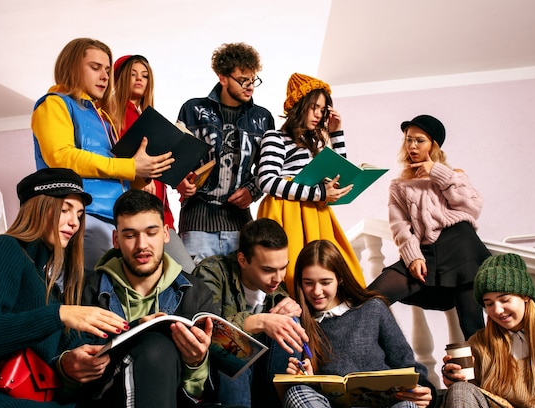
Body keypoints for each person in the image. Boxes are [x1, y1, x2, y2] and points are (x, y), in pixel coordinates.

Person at [0, 168, 129, 408]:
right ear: (39, 207)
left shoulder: (48, 285)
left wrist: (142, 326)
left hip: (40, 402)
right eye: (65, 210)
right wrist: (58, 314)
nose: (74, 222)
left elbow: (78, 344)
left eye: (79, 214)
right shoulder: (7, 248)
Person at [81, 189, 264, 408]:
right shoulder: (89, 291)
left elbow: (201, 393)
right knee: (156, 347)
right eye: (130, 235)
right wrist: (136, 332)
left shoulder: (196, 293)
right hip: (112, 404)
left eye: (151, 233)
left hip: (176, 404)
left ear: (166, 234)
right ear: (116, 240)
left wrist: (194, 363)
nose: (142, 245)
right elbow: (80, 379)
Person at [31, 38, 174, 275]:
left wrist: (144, 174)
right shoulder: (54, 104)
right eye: (95, 67)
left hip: (113, 219)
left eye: (107, 70)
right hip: (85, 215)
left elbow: (118, 177)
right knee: (96, 292)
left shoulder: (104, 118)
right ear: (71, 68)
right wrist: (131, 167)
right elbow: (61, 157)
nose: (106, 76)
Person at [367, 114, 490, 340]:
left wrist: (438, 173)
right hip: (426, 252)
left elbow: (472, 207)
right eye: (408, 139)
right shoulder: (399, 185)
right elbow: (400, 226)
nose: (412, 146)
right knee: (369, 298)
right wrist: (413, 256)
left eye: (419, 140)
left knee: (472, 325)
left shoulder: (454, 176)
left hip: (461, 248)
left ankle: (489, 375)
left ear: (433, 144)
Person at [282, 240, 435, 408]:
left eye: (325, 282)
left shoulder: (373, 308)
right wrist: (306, 377)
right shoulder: (300, 323)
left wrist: (423, 391)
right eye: (308, 283)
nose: (316, 291)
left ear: (339, 278)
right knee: (295, 394)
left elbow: (408, 365)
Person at [256, 72, 365, 295]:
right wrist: (317, 194)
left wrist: (337, 134)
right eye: (313, 107)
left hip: (314, 214)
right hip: (288, 213)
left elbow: (339, 176)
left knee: (333, 270)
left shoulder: (311, 145)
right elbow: (266, 181)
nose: (318, 114)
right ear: (298, 105)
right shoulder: (275, 137)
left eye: (322, 110)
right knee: (293, 274)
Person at [193, 218, 308, 408]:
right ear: (242, 260)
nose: (278, 278)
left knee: (290, 322)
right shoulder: (211, 272)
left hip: (265, 382)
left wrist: (291, 309)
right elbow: (203, 330)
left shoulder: (276, 287)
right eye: (268, 270)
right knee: (235, 348)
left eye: (283, 267)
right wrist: (259, 321)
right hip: (217, 379)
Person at [176, 42, 275, 263]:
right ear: (222, 78)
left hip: (241, 225)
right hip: (196, 222)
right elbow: (175, 159)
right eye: (243, 80)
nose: (249, 87)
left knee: (237, 294)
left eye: (253, 80)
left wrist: (253, 191)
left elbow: (270, 169)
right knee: (197, 293)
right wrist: (180, 181)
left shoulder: (263, 118)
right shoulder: (192, 110)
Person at [441, 253, 535, 408]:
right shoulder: (478, 344)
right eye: (489, 304)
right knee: (460, 390)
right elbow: (470, 400)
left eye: (504, 300)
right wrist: (453, 378)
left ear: (525, 296)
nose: (497, 310)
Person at [111, 53, 195, 273]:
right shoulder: (112, 117)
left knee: (185, 274)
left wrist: (179, 182)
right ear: (118, 79)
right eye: (133, 74)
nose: (140, 79)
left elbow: (161, 166)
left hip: (161, 212)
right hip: (132, 211)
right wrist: (139, 178)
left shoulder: (150, 118)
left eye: (145, 75)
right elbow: (116, 161)